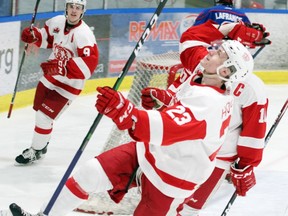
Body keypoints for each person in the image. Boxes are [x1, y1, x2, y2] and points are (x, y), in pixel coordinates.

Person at [8, 19, 262, 216]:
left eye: (220, 53)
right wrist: (165, 98)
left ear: (226, 70)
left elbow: (170, 127)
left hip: (172, 178)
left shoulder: (213, 103)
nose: (212, 50)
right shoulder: (202, 72)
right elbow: (192, 40)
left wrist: (127, 113)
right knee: (88, 173)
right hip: (148, 153)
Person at [141, 21, 271, 216]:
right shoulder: (207, 65)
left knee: (187, 210)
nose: (213, 52)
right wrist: (227, 29)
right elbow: (190, 39)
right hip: (181, 143)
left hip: (215, 157)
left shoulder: (253, 88)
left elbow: (253, 133)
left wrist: (244, 165)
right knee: (159, 199)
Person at [15, 0, 99, 165]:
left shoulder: (84, 34)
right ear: (66, 8)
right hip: (51, 76)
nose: (74, 11)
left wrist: (64, 67)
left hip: (70, 84)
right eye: (71, 7)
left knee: (44, 116)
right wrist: (34, 36)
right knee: (39, 108)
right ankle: (43, 143)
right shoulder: (57, 21)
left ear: (83, 11)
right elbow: (47, 37)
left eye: (78, 8)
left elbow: (89, 65)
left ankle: (37, 150)